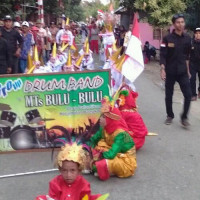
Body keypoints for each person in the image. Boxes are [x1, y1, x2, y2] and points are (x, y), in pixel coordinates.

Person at [88, 97, 137, 181]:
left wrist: (97, 156)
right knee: (97, 147)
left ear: (109, 118)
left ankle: (108, 170)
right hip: (114, 152)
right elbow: (93, 140)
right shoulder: (104, 128)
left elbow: (111, 154)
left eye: (103, 117)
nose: (100, 119)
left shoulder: (120, 134)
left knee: (98, 165)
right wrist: (87, 149)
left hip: (126, 160)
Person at [35, 143, 101, 200]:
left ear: (79, 170)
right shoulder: (54, 183)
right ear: (60, 170)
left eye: (72, 170)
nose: (68, 175)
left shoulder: (84, 185)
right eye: (64, 170)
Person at [160, 14, 192, 127]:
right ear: (174, 24)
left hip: (182, 71)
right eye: (178, 22)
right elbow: (163, 55)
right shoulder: (167, 38)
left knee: (188, 95)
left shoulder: (188, 38)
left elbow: (187, 56)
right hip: (170, 71)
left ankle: (184, 118)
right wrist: (162, 69)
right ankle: (170, 115)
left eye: (182, 22)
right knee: (169, 95)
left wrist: (188, 70)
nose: (180, 24)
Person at [190, 27, 200, 101]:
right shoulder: (191, 42)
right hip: (193, 64)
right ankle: (193, 95)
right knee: (192, 79)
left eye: (199, 33)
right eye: (196, 33)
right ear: (194, 34)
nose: (198, 35)